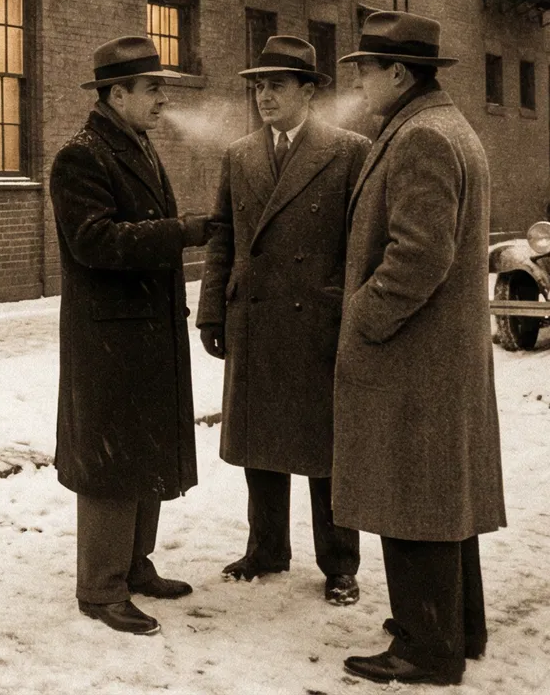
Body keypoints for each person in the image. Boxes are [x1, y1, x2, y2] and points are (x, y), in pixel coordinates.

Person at [333, 11, 506, 686]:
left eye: (366, 70)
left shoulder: (421, 138)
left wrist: (362, 318)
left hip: (413, 359)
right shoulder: (444, 127)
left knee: (412, 501)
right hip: (439, 359)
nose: (360, 82)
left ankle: (425, 649)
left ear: (399, 74)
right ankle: (458, 627)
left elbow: (418, 255)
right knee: (441, 497)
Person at [197, 36, 369, 606]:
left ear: (309, 91)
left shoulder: (349, 152)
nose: (263, 96)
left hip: (318, 319)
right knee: (260, 441)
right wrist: (212, 308)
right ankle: (266, 547)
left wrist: (346, 305)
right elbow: (225, 236)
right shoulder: (241, 153)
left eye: (276, 85)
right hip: (257, 316)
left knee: (326, 449)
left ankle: (339, 563)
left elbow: (361, 243)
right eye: (258, 86)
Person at [49, 36, 213, 636]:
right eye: (151, 89)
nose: (161, 99)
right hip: (109, 342)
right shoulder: (81, 156)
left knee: (141, 452)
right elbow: (95, 241)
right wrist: (183, 231)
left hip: (142, 336)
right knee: (110, 462)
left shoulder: (134, 145)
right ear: (116, 95)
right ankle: (100, 587)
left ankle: (134, 564)